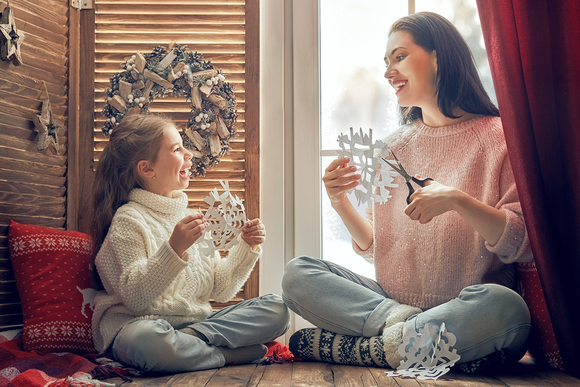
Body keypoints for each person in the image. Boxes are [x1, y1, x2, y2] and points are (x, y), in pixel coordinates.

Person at [282, 12, 532, 372]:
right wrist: (340, 204)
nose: (388, 72)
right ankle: (413, 342)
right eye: (386, 62)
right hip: (390, 307)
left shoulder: (499, 138)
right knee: (297, 274)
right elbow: (379, 249)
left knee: (507, 308)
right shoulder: (393, 148)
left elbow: (521, 242)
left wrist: (456, 200)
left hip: (466, 307)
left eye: (399, 57)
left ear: (438, 57)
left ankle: (371, 349)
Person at [90, 114, 289, 373]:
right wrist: (174, 249)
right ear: (147, 169)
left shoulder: (189, 218)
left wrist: (246, 246)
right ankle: (229, 355)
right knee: (147, 341)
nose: (190, 154)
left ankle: (195, 347)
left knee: (278, 309)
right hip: (139, 327)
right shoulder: (129, 220)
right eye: (177, 149)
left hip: (199, 326)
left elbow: (221, 289)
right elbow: (136, 298)